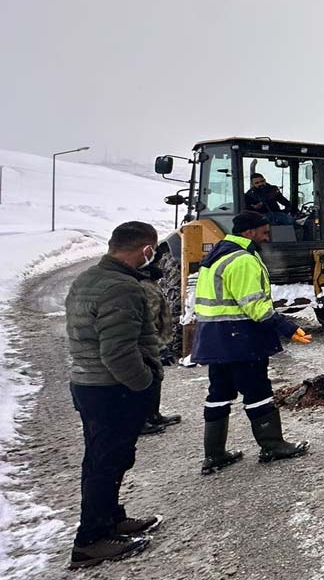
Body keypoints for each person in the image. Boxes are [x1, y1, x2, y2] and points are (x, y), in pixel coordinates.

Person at [63, 222, 163, 568]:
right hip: (111, 389)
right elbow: (118, 351)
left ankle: (111, 519)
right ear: (145, 249)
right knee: (105, 462)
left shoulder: (89, 278)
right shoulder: (122, 288)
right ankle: (91, 540)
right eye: (151, 249)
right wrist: (144, 383)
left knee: (105, 458)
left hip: (90, 385)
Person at [192, 211, 312, 475]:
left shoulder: (217, 255)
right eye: (264, 231)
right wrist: (288, 327)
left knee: (219, 394)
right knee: (257, 391)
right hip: (240, 337)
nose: (267, 236)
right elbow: (256, 308)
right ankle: (272, 445)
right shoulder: (242, 259)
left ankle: (214, 454)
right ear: (249, 232)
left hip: (215, 339)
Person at [138, 264, 182, 435]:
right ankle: (142, 420)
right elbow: (147, 322)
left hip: (153, 341)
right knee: (146, 378)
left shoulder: (148, 283)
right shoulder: (143, 286)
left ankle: (153, 415)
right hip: (147, 342)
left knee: (155, 375)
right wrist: (159, 345)